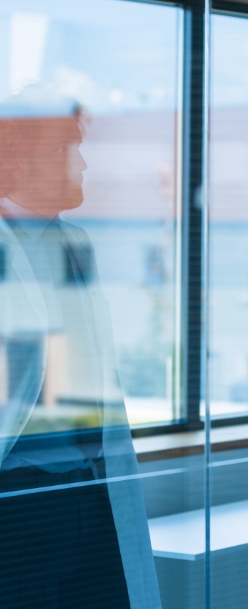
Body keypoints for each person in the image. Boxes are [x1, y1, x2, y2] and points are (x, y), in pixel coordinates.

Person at [0, 85, 161, 608]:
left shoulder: (75, 245)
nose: (84, 162)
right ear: (17, 159)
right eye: (67, 148)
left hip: (90, 494)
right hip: (18, 504)